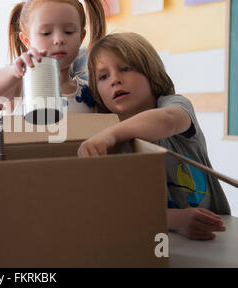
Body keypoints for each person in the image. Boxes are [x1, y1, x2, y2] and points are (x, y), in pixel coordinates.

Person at [77, 32, 230, 241]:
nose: (115, 80)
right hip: (153, 242)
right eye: (103, 76)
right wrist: (176, 220)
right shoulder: (106, 141)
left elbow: (167, 119)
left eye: (125, 68)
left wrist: (108, 135)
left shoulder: (174, 105)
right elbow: (122, 210)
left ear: (150, 72)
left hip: (216, 236)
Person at [0, 0, 106, 114]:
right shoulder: (21, 86)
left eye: (68, 32)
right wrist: (13, 71)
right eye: (46, 33)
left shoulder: (92, 93)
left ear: (81, 37)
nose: (59, 40)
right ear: (27, 40)